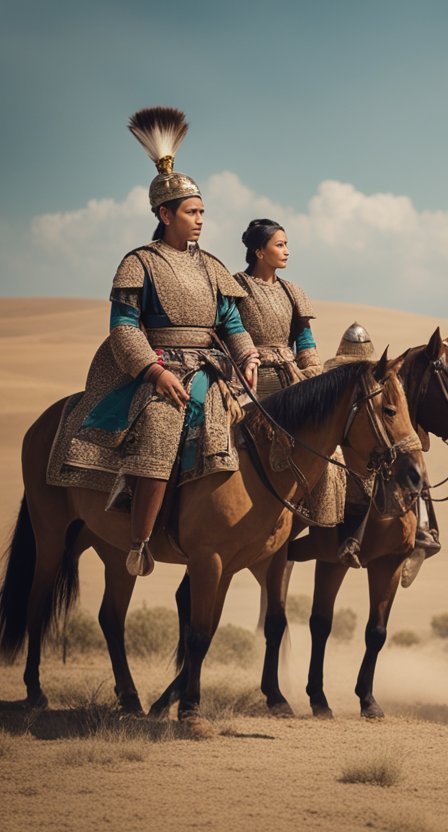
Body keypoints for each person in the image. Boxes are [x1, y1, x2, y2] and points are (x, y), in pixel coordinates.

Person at [64, 107, 258, 577]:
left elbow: (231, 320)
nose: (199, 221)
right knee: (161, 426)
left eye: (203, 213)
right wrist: (155, 372)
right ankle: (140, 540)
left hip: (213, 369)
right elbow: (124, 327)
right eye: (192, 212)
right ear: (165, 213)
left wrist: (248, 355)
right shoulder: (139, 263)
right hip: (157, 368)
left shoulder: (212, 266)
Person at [324, 323, 441, 562]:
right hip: (339, 440)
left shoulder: (378, 385)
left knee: (413, 457)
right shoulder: (332, 383)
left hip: (370, 439)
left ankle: (424, 526)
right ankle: (349, 536)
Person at [232, 219, 321, 393]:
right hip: (248, 380)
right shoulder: (236, 286)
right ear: (260, 252)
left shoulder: (293, 291)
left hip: (290, 379)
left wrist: (314, 375)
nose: (287, 251)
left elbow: (304, 338)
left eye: (286, 245)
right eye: (280, 245)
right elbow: (229, 330)